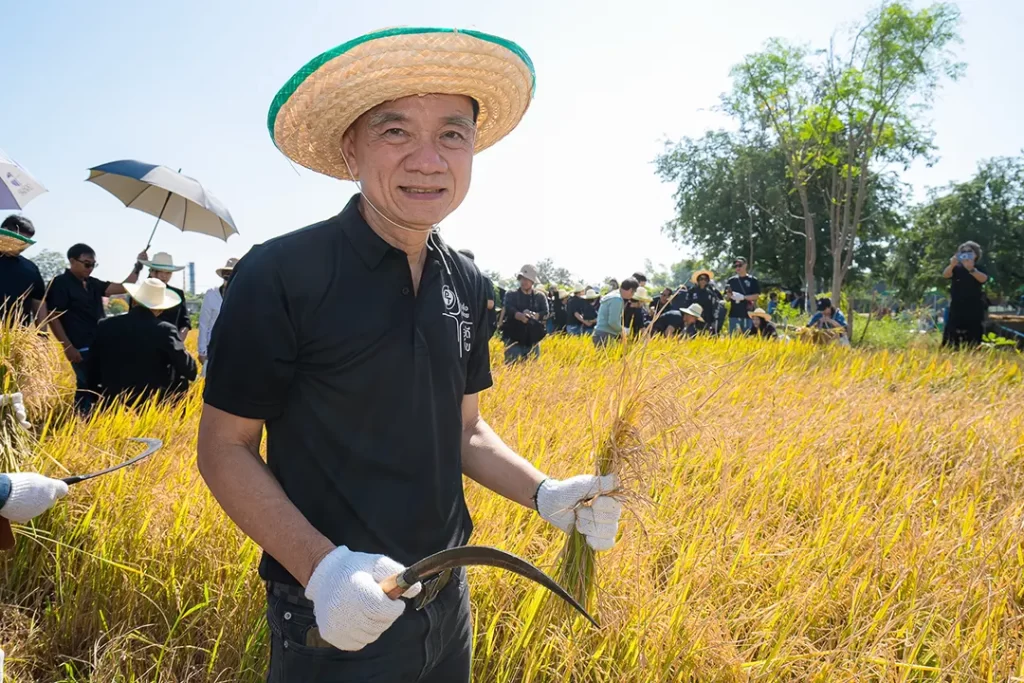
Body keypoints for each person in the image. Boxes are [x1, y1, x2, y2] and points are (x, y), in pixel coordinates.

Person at [196, 27, 622, 683]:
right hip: (336, 610)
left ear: (473, 148)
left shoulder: (468, 280)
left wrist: (543, 492)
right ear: (351, 147)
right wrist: (322, 567)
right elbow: (224, 447)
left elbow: (464, 427)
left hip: (449, 596)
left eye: (452, 134)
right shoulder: (281, 273)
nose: (428, 160)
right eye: (395, 131)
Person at [46, 243, 148, 413]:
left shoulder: (92, 283)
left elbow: (124, 287)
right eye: (87, 264)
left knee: (98, 384)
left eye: (93, 265)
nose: (90, 268)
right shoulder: (60, 283)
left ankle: (93, 419)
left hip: (100, 344)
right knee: (86, 385)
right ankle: (81, 419)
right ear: (72, 261)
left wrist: (139, 265)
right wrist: (68, 347)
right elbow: (53, 317)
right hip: (79, 345)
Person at [87, 278, 198, 405]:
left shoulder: (105, 325)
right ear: (161, 309)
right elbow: (189, 370)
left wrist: (96, 397)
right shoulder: (166, 330)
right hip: (151, 405)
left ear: (134, 301)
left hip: (112, 402)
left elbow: (92, 366)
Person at [0, 215, 49, 327]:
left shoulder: (30, 269)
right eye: (18, 240)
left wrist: (43, 334)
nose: (20, 246)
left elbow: (38, 304)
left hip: (16, 334)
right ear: (4, 232)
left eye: (25, 242)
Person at [942, 241, 989, 349]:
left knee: (974, 332)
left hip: (974, 306)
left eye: (969, 251)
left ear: (976, 254)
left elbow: (983, 279)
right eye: (963, 251)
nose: (966, 253)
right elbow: (946, 275)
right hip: (957, 305)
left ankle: (973, 351)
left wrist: (971, 269)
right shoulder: (956, 268)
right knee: (952, 332)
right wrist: (952, 265)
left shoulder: (979, 268)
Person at [137, 252, 191, 340]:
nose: (164, 276)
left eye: (168, 273)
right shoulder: (139, 293)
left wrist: (178, 342)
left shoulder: (178, 294)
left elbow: (185, 322)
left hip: (171, 343)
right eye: (160, 271)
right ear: (152, 272)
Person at [198, 258, 237, 374]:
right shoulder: (211, 294)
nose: (228, 279)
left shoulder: (244, 295)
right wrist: (202, 351)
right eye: (226, 276)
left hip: (235, 347)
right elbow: (204, 323)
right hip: (213, 347)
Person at [502, 265, 548, 363]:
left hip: (533, 340)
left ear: (532, 281)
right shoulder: (511, 294)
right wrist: (520, 316)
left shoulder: (540, 296)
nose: (524, 281)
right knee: (511, 368)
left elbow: (545, 313)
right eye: (522, 278)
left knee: (532, 370)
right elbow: (509, 309)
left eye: (527, 279)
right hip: (513, 339)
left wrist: (534, 315)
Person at [593, 278, 639, 346]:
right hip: (606, 336)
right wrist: (623, 331)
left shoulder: (612, 295)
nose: (633, 295)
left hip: (600, 334)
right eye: (634, 292)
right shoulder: (617, 299)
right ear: (630, 290)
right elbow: (613, 322)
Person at [726, 258, 760, 334]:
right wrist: (729, 296)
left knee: (748, 337)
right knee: (734, 337)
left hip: (748, 314)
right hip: (734, 314)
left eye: (740, 265)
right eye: (736, 266)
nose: (738, 267)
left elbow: (756, 296)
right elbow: (726, 298)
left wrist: (743, 297)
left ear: (745, 265)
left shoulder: (752, 280)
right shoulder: (731, 281)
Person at [686, 270, 721, 334]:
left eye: (705, 279)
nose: (703, 281)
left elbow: (716, 303)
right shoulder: (692, 291)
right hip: (694, 317)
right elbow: (688, 303)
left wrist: (713, 319)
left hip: (707, 318)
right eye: (701, 279)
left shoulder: (711, 292)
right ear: (698, 280)